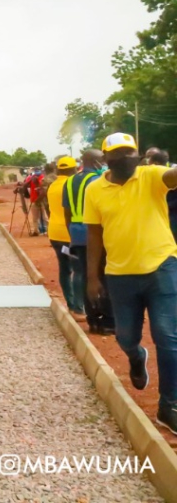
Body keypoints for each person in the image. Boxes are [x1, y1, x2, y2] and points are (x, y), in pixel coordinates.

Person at [85, 133, 177, 433]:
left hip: (162, 266)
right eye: (118, 154)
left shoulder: (150, 176)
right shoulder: (95, 189)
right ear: (105, 158)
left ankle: (169, 406)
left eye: (130, 152)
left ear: (138, 154)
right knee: (125, 337)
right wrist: (93, 277)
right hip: (120, 275)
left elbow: (171, 176)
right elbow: (95, 234)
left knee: (167, 336)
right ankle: (136, 357)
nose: (125, 158)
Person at [64, 150, 112, 333]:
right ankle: (107, 320)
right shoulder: (97, 181)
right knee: (104, 275)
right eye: (102, 159)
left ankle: (92, 318)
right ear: (94, 161)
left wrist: (72, 234)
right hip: (95, 232)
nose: (105, 162)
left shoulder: (70, 181)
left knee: (85, 275)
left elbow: (66, 212)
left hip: (76, 231)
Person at [47, 157, 78, 313]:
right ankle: (78, 306)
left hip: (54, 232)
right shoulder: (71, 185)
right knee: (78, 271)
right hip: (70, 233)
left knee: (64, 269)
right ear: (74, 169)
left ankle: (71, 303)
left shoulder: (52, 186)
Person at [147, 150, 177, 241]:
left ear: (156, 163)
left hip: (172, 214)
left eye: (150, 163)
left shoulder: (172, 175)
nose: (148, 166)